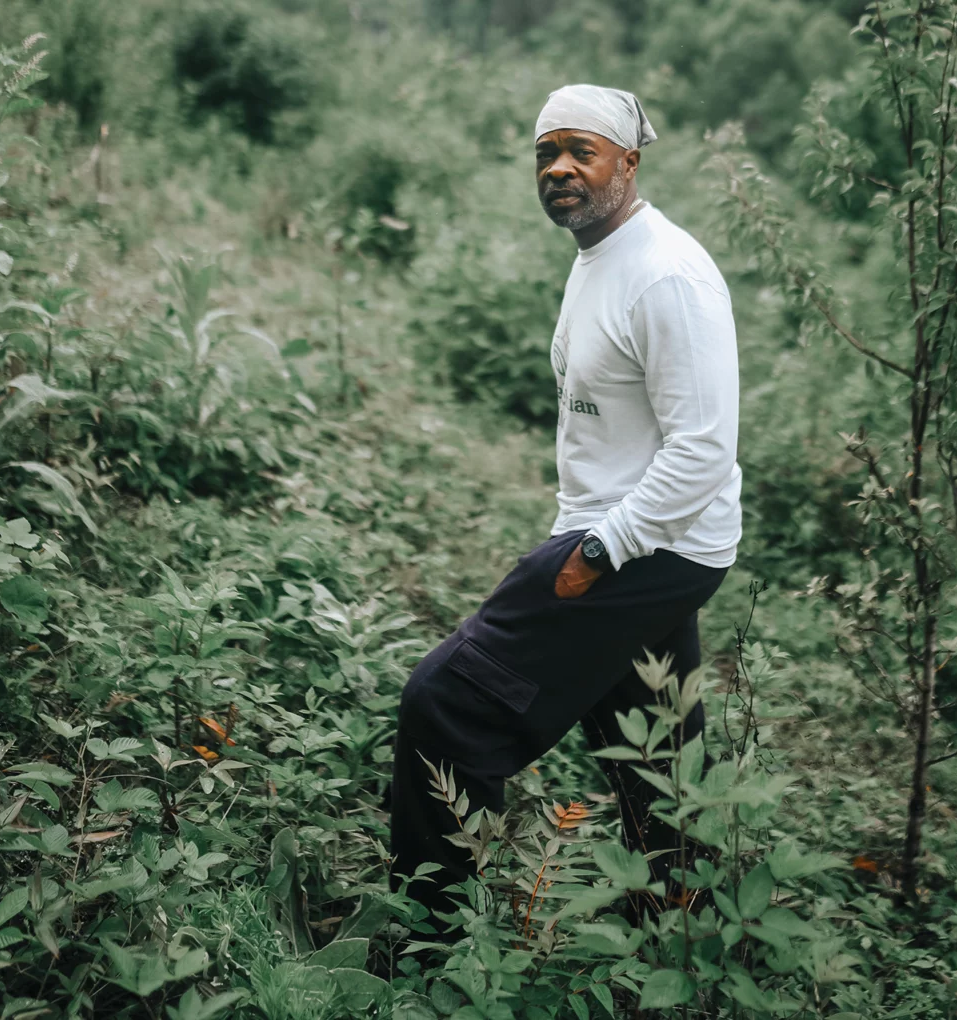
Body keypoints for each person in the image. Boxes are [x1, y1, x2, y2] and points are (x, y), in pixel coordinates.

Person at [385, 82, 742, 944]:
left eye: (581, 151)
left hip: (646, 546)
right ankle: (677, 931)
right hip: (632, 537)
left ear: (629, 160)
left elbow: (702, 449)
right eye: (546, 153)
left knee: (445, 703)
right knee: (656, 758)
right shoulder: (601, 256)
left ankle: (431, 942)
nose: (559, 169)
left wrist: (595, 552)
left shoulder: (667, 276)